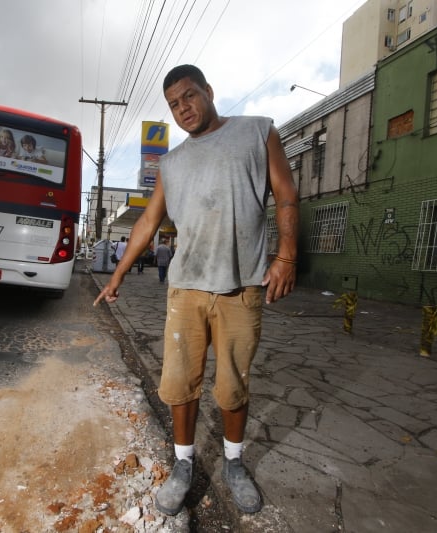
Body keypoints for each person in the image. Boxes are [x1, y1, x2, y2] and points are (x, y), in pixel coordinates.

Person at [93, 64, 299, 515]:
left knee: (232, 386)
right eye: (173, 105)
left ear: (208, 90)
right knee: (180, 383)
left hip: (241, 288)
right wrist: (117, 273)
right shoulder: (172, 162)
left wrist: (286, 256)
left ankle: (234, 462)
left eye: (188, 96)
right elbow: (148, 221)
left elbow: (285, 192)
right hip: (186, 287)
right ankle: (183, 465)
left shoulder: (256, 132)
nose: (182, 108)